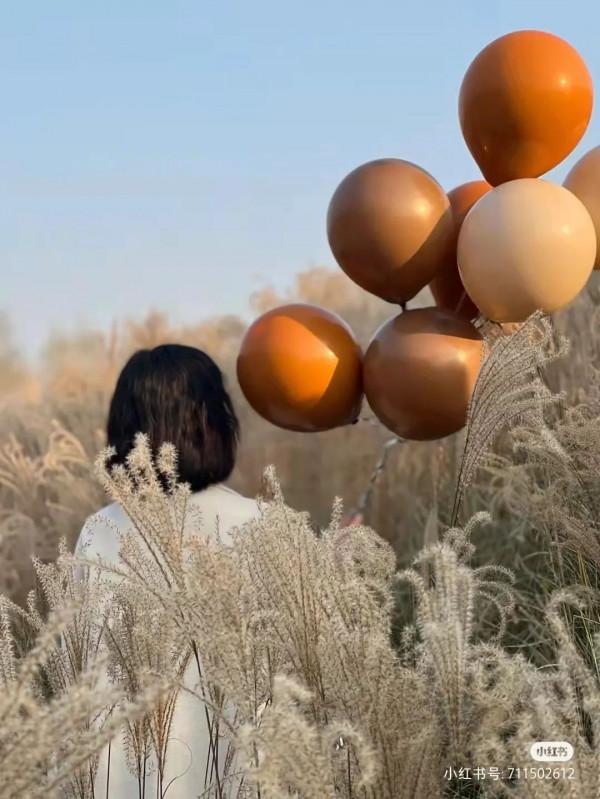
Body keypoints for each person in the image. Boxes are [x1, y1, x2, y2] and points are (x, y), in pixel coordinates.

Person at [75, 344, 259, 798]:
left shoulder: (98, 532)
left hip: (122, 781)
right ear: (214, 422)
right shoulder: (261, 526)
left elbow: (80, 671)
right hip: (235, 777)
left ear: (121, 432)